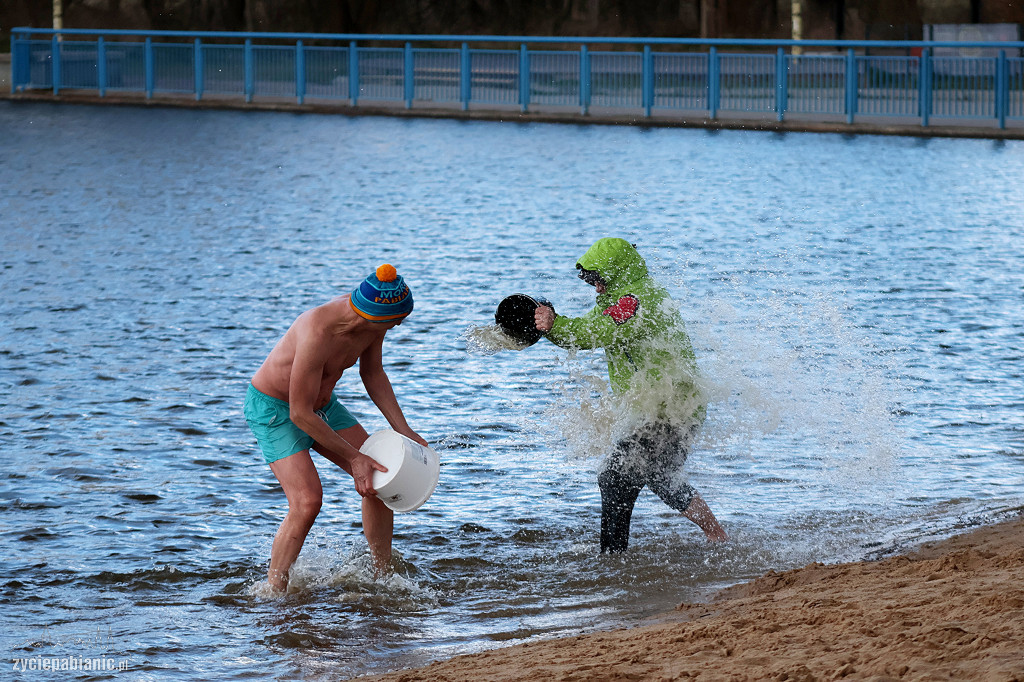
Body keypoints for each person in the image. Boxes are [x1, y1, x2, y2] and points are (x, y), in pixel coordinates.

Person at [533, 238, 727, 552]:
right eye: (592, 283)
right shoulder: (625, 297)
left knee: (615, 476)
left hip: (669, 409)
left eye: (599, 281)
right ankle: (717, 535)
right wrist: (553, 326)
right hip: (673, 407)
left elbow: (596, 332)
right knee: (661, 476)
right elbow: (589, 327)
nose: (596, 289)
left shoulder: (637, 301)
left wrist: (555, 324)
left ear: (617, 271)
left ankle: (612, 562)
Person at [243, 264, 428, 591]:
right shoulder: (317, 331)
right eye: (396, 320)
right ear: (372, 315)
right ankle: (274, 594)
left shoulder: (374, 322)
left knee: (379, 474)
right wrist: (355, 457)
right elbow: (299, 414)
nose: (398, 325)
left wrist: (404, 430)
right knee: (308, 501)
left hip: (320, 405)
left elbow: (373, 374)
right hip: (276, 409)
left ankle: (381, 578)